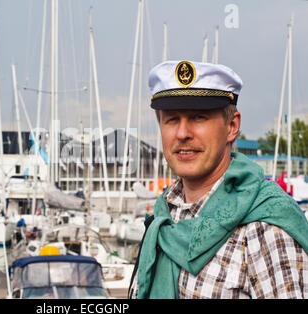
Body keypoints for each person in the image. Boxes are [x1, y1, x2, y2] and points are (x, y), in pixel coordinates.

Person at [130, 60, 308, 299]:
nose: (182, 133)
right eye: (172, 119)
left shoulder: (266, 230)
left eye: (198, 117)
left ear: (232, 126)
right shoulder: (163, 219)